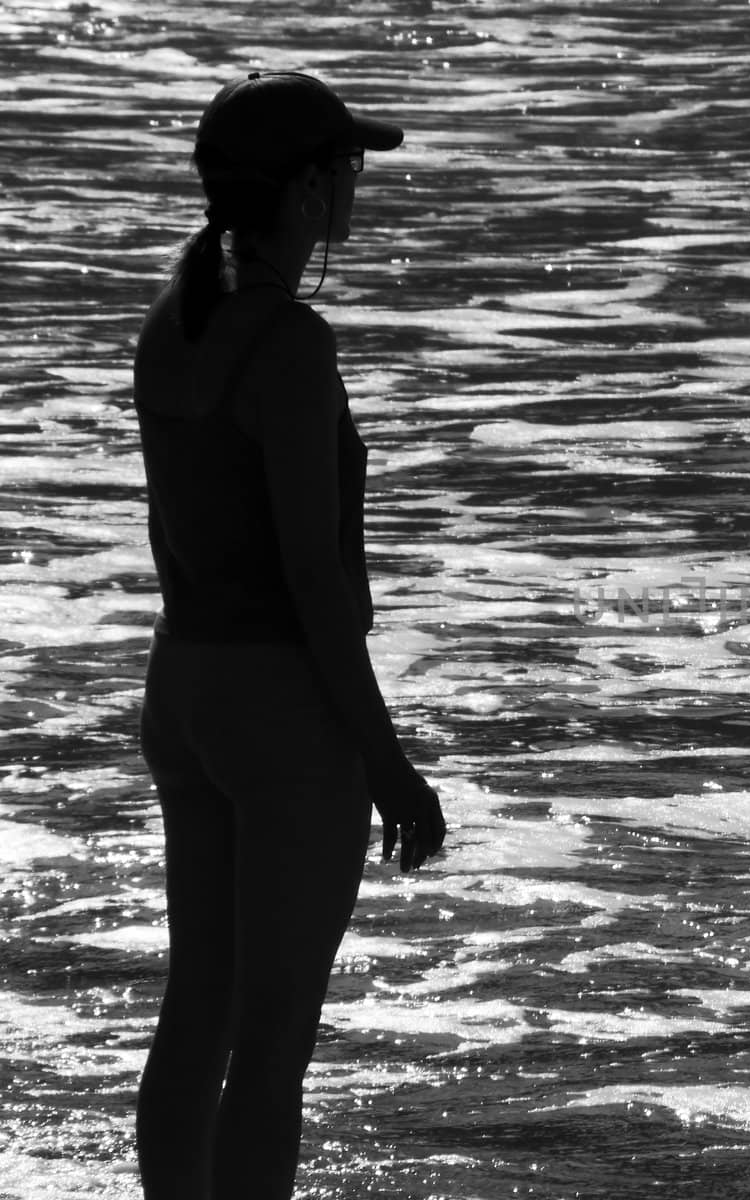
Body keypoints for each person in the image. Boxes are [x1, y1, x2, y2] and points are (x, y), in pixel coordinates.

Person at [131, 71, 447, 1200]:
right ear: (307, 190)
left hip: (184, 685)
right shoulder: (291, 344)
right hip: (279, 710)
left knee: (196, 1013)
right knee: (272, 1046)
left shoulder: (172, 319)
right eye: (347, 169)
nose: (356, 189)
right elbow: (317, 582)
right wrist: (388, 762)